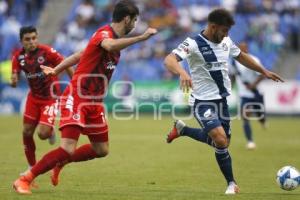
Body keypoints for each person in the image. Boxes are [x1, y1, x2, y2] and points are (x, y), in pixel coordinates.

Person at [13, 0, 157, 195]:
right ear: (127, 19)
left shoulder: (106, 40)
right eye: (134, 20)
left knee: (101, 150)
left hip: (94, 102)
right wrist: (141, 38)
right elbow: (110, 45)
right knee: (66, 148)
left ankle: (60, 162)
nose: (135, 25)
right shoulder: (104, 35)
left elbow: (80, 54)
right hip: (77, 97)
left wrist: (55, 69)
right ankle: (24, 179)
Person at [164, 8, 283, 194]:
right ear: (213, 27)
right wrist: (182, 72)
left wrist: (264, 71)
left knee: (222, 143)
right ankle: (231, 184)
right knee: (220, 139)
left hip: (222, 101)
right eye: (224, 30)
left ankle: (183, 130)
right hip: (202, 101)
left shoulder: (226, 41)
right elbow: (169, 59)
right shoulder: (193, 43)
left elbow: (241, 57)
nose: (227, 35)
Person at [11, 26, 73, 175]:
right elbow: (15, 77)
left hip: (50, 98)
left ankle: (50, 131)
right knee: (26, 131)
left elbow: (66, 62)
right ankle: (31, 166)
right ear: (21, 41)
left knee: (42, 134)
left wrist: (76, 82)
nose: (32, 42)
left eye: (34, 38)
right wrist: (13, 80)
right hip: (33, 98)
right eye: (27, 39)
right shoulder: (18, 57)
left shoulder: (47, 52)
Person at [231, 42, 266, 150]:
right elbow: (233, 75)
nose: (241, 50)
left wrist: (252, 85)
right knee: (245, 116)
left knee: (260, 115)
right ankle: (250, 141)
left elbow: (262, 75)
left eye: (243, 48)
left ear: (247, 48)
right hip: (244, 95)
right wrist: (230, 88)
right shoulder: (235, 62)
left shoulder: (254, 60)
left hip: (256, 93)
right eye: (240, 48)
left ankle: (263, 121)